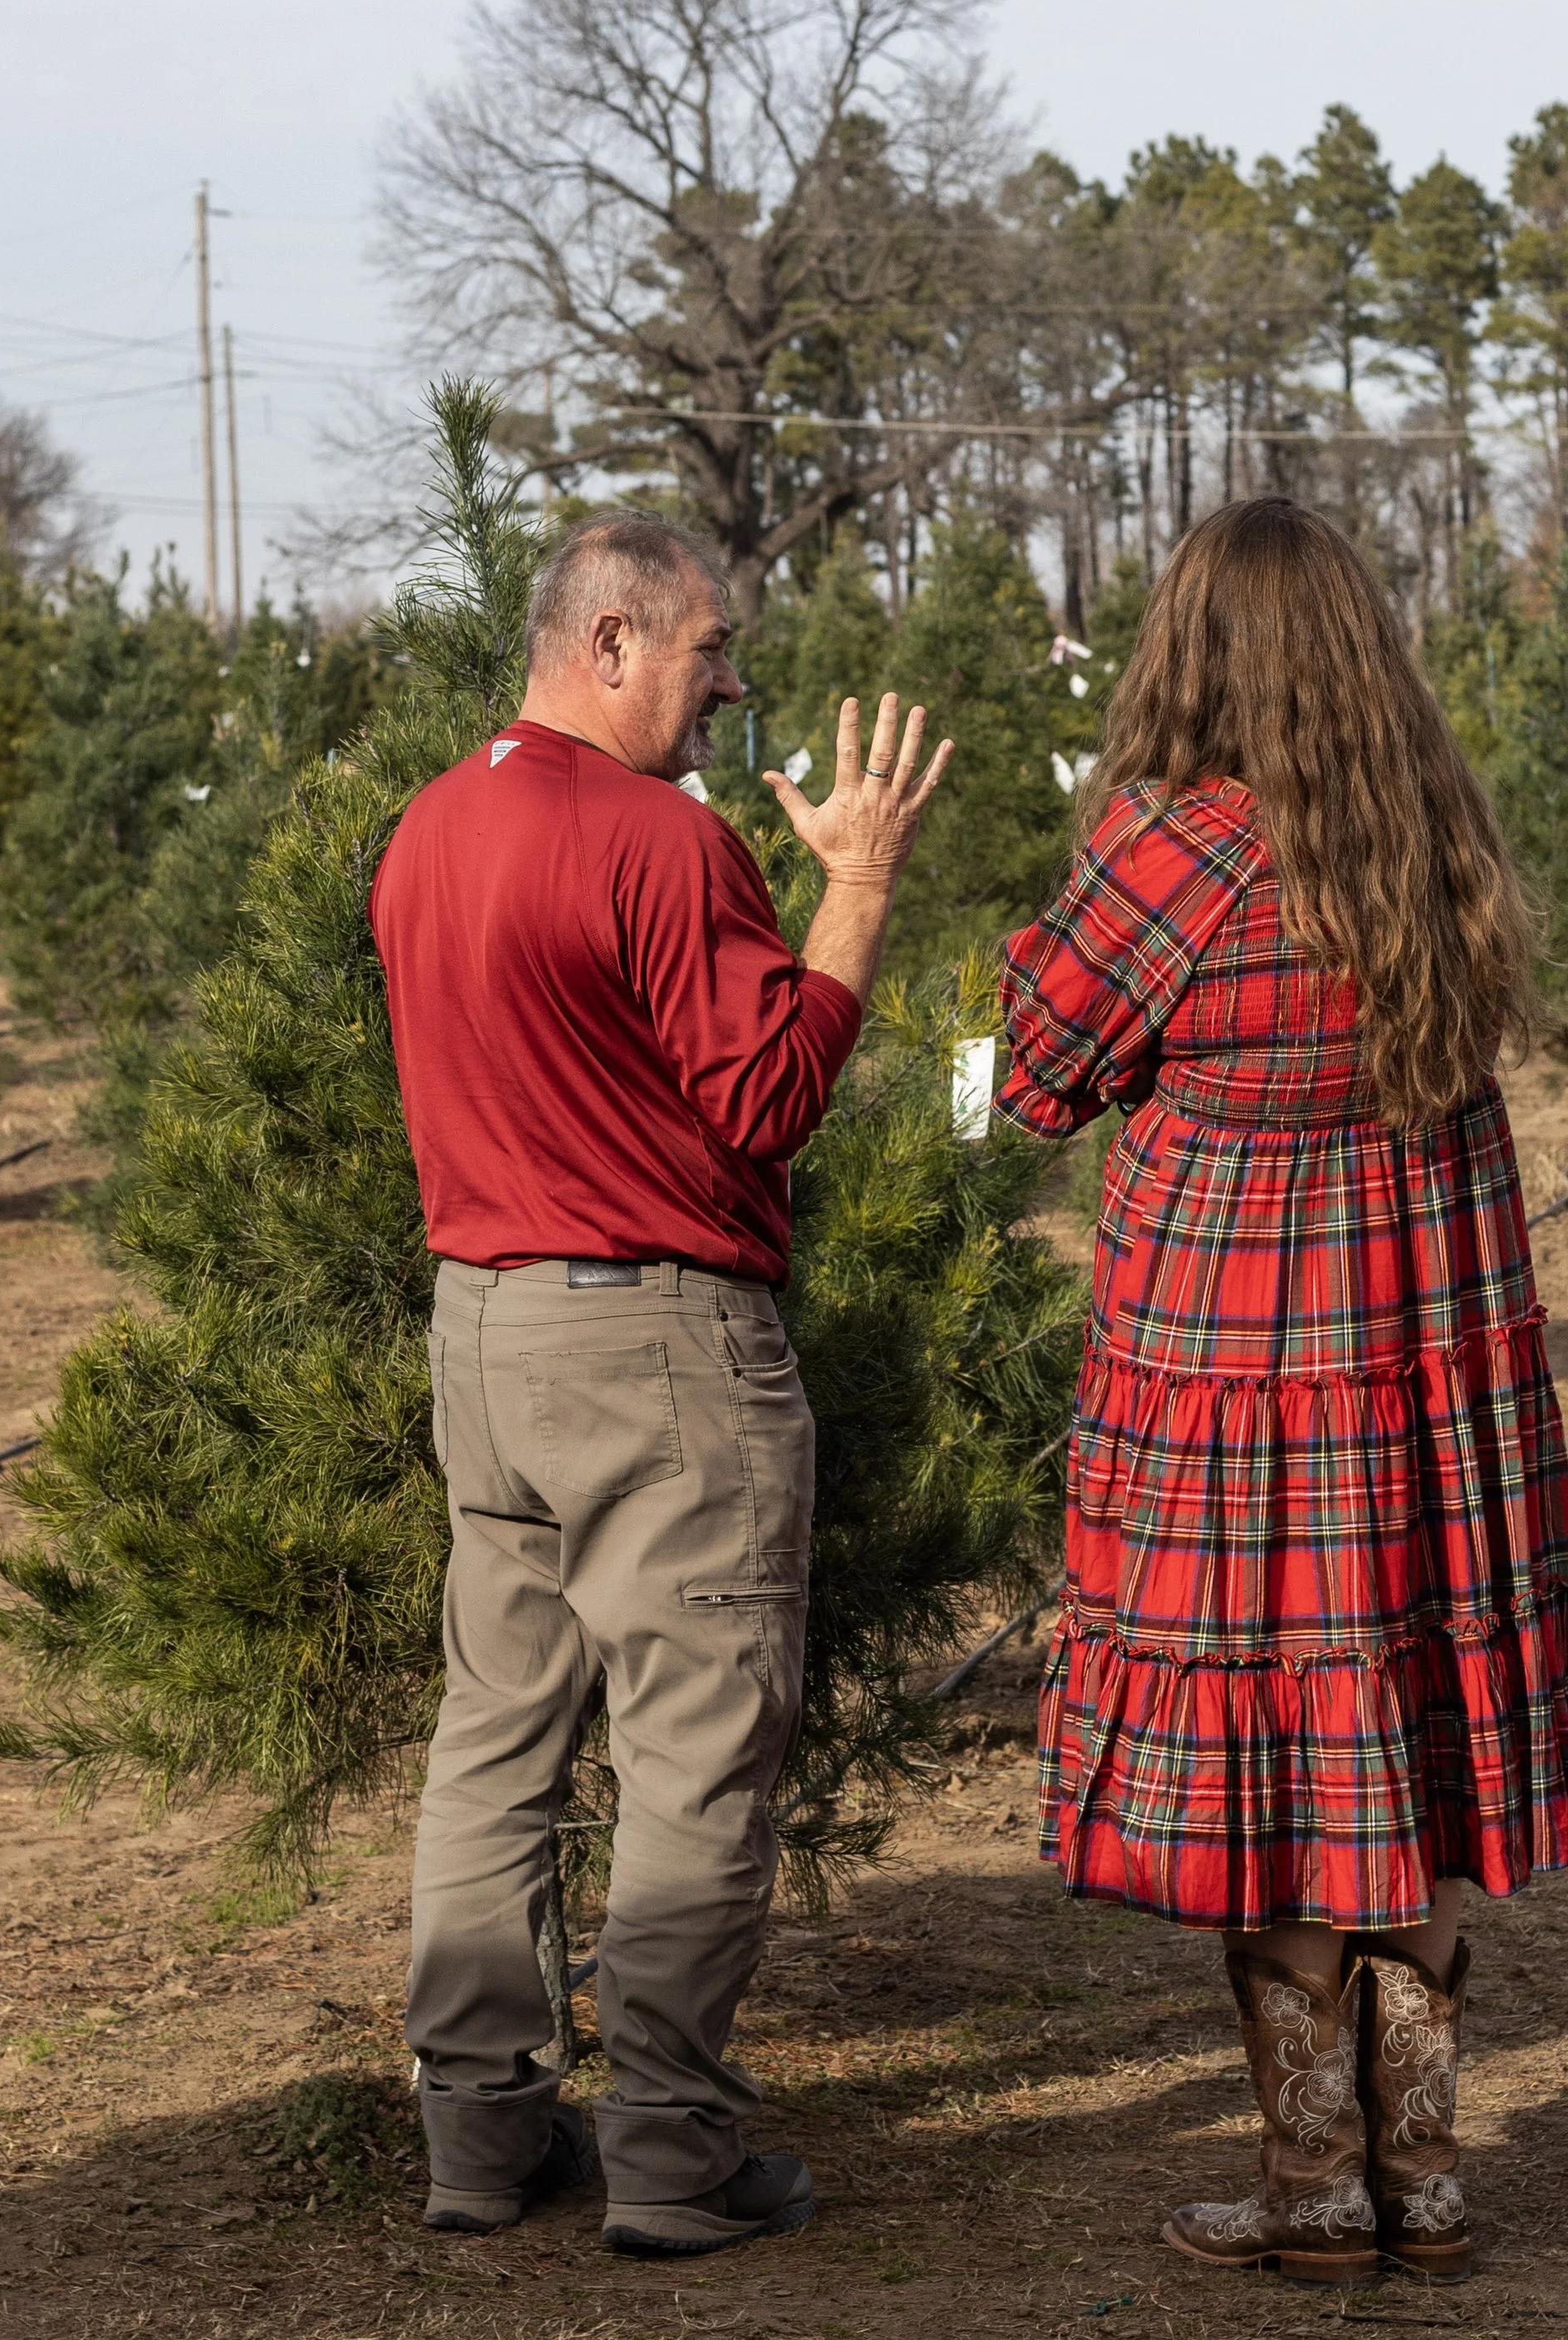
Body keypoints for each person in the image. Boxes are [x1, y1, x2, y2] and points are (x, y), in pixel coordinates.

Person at [997, 498, 1568, 2287]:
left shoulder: (1167, 850)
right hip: (1425, 1360)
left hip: (1240, 1374)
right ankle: (1416, 2177)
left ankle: (1309, 2186)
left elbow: (1031, 1081)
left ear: (1185, 650)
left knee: (1285, 1766)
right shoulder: (1427, 834)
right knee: (1402, 1748)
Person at [369, 511, 948, 2260]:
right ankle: (674, 2164)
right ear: (608, 640)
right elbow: (766, 1099)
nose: (728, 687)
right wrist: (856, 888)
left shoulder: (425, 828)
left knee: (494, 1746)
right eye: (708, 652)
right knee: (695, 1760)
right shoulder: (653, 844)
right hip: (653, 1345)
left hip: (479, 1330)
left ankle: (477, 2143)